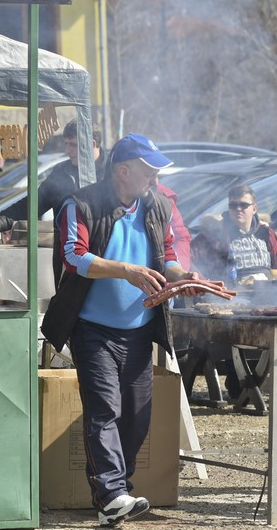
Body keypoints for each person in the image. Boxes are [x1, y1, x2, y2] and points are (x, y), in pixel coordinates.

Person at [41, 134, 200, 527]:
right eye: (149, 172)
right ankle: (111, 493)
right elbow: (74, 257)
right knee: (105, 409)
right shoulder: (79, 204)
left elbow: (168, 257)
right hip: (92, 329)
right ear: (123, 170)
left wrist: (183, 277)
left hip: (140, 329)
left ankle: (116, 493)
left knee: (137, 416)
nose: (155, 180)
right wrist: (125, 270)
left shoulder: (158, 205)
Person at [191, 185, 277, 398]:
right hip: (236, 295)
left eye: (243, 205)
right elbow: (193, 256)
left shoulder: (265, 232)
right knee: (239, 317)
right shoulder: (217, 234)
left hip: (269, 291)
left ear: (254, 208)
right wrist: (208, 282)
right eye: (233, 205)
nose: (238, 209)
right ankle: (240, 379)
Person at [0, 119, 109, 286]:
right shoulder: (62, 173)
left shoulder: (113, 171)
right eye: (66, 144)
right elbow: (33, 204)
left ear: (91, 144)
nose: (67, 150)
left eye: (73, 145)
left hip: (108, 258)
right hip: (71, 265)